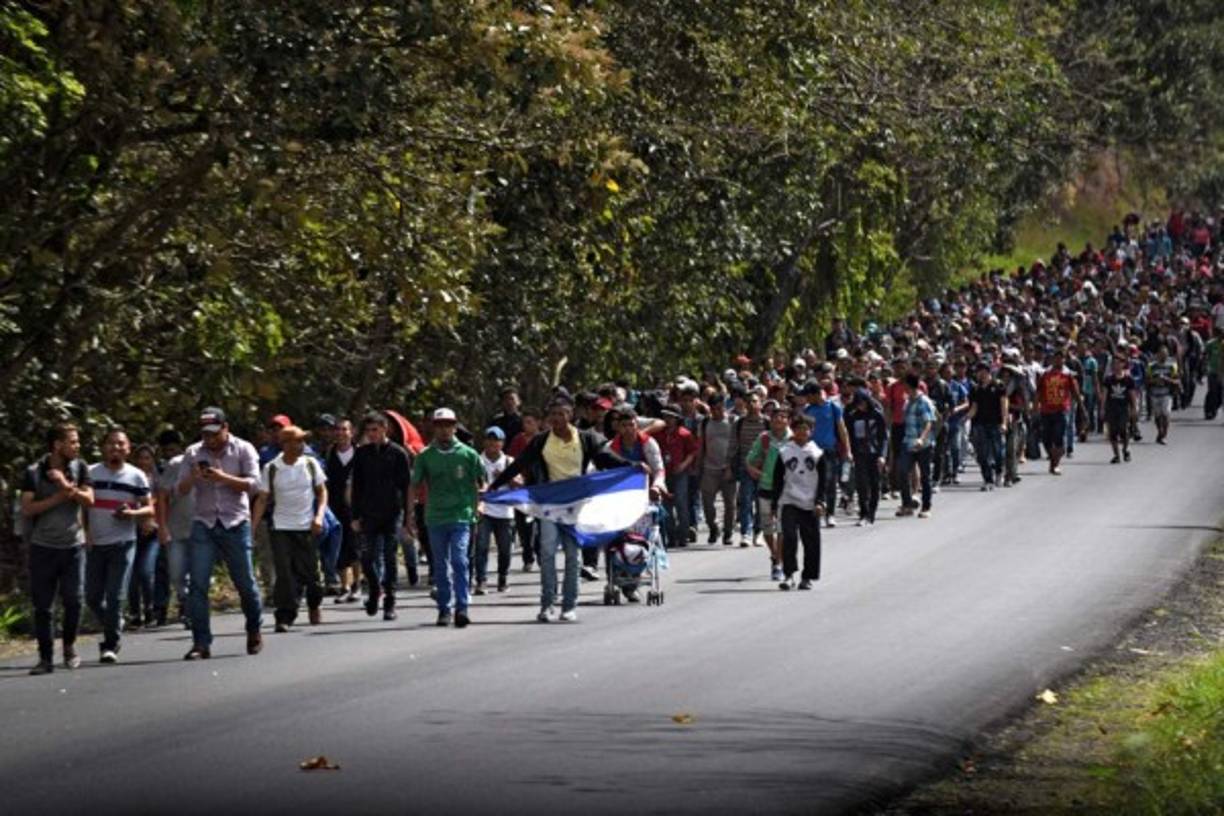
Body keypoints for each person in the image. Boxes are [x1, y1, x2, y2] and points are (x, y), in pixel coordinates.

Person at [488, 395, 630, 623]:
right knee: (547, 553)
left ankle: (569, 606)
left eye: (561, 414)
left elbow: (606, 458)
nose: (557, 418)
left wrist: (632, 467)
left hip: (576, 505)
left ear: (570, 415)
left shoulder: (585, 439)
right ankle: (547, 604)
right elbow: (520, 463)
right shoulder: (541, 441)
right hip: (550, 505)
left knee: (573, 555)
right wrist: (495, 486)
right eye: (553, 414)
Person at [177, 407, 264, 661]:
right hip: (204, 522)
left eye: (215, 433)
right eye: (206, 434)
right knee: (198, 585)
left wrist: (223, 477)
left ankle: (254, 628)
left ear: (226, 428)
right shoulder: (193, 452)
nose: (210, 439)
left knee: (245, 583)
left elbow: (255, 485)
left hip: (235, 523)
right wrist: (193, 477)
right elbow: (179, 490)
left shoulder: (244, 449)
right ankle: (201, 642)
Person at [21, 424, 94, 675]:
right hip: (43, 546)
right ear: (57, 445)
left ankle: (69, 646)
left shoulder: (80, 467)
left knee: (74, 600)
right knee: (43, 606)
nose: (77, 446)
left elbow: (90, 500)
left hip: (73, 546)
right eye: (72, 442)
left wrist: (65, 485)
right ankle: (45, 658)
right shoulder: (34, 471)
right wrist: (58, 498)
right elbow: (27, 508)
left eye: (77, 441)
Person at [409, 408, 484, 628]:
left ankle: (462, 607)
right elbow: (414, 485)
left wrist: (480, 504)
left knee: (460, 560)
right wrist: (409, 515)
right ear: (434, 427)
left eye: (448, 425)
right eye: (440, 425)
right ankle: (444, 608)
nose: (444, 429)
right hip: (435, 517)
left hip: (461, 515)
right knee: (440, 566)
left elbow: (481, 483)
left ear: (455, 427)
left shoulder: (468, 454)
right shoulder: (425, 456)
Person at [85, 428, 154, 664]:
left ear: (128, 448)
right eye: (111, 443)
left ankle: (110, 644)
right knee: (92, 597)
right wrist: (84, 532)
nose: (116, 447)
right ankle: (114, 622)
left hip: (123, 543)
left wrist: (132, 513)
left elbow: (149, 508)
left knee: (115, 596)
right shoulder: (90, 472)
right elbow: (81, 506)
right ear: (103, 447)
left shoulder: (136, 476)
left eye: (120, 444)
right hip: (94, 543)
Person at [252, 425, 328, 632]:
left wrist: (319, 516)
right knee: (284, 574)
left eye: (302, 440)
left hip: (307, 526)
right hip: (281, 527)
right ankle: (285, 615)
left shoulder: (310, 464)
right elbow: (262, 499)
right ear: (285, 444)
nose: (301, 445)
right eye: (297, 441)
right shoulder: (272, 468)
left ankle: (314, 604)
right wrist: (253, 527)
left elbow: (322, 492)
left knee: (311, 575)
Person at [350, 411, 413, 621]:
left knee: (389, 556)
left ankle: (390, 601)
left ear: (385, 429)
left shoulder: (398, 453)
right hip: (368, 513)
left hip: (392, 513)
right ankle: (375, 588)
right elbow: (357, 486)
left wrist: (408, 518)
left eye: (375, 430)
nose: (371, 434)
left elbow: (407, 487)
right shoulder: (361, 454)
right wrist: (355, 515)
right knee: (367, 558)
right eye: (368, 431)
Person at [770, 414, 825, 590]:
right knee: (789, 537)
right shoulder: (785, 452)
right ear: (793, 430)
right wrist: (774, 503)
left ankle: (807, 577)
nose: (802, 432)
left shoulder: (817, 453)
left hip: (810, 502)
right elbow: (777, 479)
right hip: (789, 500)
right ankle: (788, 575)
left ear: (811, 431)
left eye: (806, 428)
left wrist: (820, 501)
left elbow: (824, 480)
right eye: (799, 428)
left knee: (811, 541)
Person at [155, 429, 197, 628]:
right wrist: (162, 526)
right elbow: (162, 497)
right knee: (177, 574)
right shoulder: (175, 464)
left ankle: (193, 611)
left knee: (199, 574)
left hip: (202, 528)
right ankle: (186, 600)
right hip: (177, 528)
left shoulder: (213, 463)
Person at [745, 405, 791, 580]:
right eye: (775, 417)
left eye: (783, 416)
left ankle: (778, 563)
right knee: (767, 526)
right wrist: (753, 470)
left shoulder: (794, 438)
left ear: (788, 420)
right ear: (770, 420)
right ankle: (774, 554)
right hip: (765, 487)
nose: (779, 419)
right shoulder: (764, 438)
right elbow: (750, 460)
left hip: (787, 489)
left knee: (782, 527)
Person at [802, 379, 849, 528]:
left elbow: (842, 429)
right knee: (813, 482)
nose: (806, 399)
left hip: (829, 450)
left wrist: (847, 450)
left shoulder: (833, 407)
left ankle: (830, 514)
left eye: (808, 395)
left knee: (830, 481)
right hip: (812, 451)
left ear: (816, 394)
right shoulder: (808, 410)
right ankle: (816, 511)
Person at [324, 418, 361, 603]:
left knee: (355, 546)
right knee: (338, 546)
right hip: (334, 506)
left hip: (355, 507)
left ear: (351, 432)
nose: (340, 433)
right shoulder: (329, 453)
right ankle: (344, 586)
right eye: (337, 430)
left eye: (344, 429)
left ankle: (357, 585)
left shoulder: (360, 453)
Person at [475, 426, 515, 594]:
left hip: (505, 511)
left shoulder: (509, 461)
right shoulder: (477, 460)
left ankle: (502, 577)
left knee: (505, 549)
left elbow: (520, 484)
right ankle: (481, 580)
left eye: (496, 440)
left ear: (502, 443)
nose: (492, 443)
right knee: (481, 546)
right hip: (484, 509)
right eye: (489, 439)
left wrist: (505, 476)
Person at [126, 443, 161, 629]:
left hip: (152, 531)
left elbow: (158, 501)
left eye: (147, 458)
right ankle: (134, 613)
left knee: (146, 572)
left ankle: (150, 609)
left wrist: (150, 519)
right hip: (131, 529)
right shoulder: (129, 476)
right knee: (131, 575)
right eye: (140, 458)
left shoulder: (157, 479)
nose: (143, 462)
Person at [654, 406, 698, 549]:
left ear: (677, 419)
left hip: (680, 473)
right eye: (665, 416)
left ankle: (683, 535)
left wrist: (683, 465)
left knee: (681, 503)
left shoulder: (685, 434)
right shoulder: (658, 434)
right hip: (664, 473)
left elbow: (692, 452)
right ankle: (671, 536)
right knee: (666, 505)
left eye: (671, 417)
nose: (668, 420)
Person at [728, 392, 766, 547]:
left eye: (755, 401)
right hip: (745, 468)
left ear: (761, 403)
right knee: (745, 501)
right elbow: (733, 446)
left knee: (762, 502)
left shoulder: (767, 423)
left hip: (764, 469)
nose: (752, 404)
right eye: (749, 401)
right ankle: (746, 533)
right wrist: (728, 465)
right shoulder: (739, 424)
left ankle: (759, 532)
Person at [697, 397, 736, 546]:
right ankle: (713, 527)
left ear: (724, 407)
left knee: (730, 504)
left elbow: (736, 446)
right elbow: (701, 445)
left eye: (719, 408)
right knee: (707, 503)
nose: (716, 412)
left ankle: (728, 532)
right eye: (713, 409)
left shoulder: (732, 421)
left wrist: (731, 467)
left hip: (728, 468)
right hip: (709, 468)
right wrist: (698, 465)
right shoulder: (705, 423)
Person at [845, 388, 887, 525]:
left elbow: (883, 437)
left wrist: (882, 455)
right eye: (858, 403)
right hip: (859, 454)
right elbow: (849, 437)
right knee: (861, 484)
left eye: (863, 402)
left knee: (875, 484)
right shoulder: (852, 416)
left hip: (875, 454)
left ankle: (871, 513)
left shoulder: (877, 415)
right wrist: (849, 452)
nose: (861, 405)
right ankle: (863, 513)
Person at [896, 375, 936, 518]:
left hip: (923, 444)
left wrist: (921, 439)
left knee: (925, 476)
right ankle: (907, 505)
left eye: (905, 385)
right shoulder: (908, 401)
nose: (903, 388)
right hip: (908, 442)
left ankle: (926, 507)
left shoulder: (923, 401)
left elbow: (928, 422)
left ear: (910, 385)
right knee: (902, 472)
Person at [1035, 348, 1080, 475]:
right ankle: (1053, 460)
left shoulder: (1068, 374)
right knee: (1046, 439)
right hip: (1046, 411)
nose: (1059, 360)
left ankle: (1055, 464)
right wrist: (1034, 409)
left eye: (1061, 358)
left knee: (1058, 438)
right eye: (1057, 357)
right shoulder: (1045, 374)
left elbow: (1075, 392)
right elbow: (1038, 392)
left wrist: (1082, 409)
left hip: (1061, 411)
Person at [965, 363, 1008, 491]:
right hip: (980, 424)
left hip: (995, 423)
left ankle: (999, 471)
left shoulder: (998, 386)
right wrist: (966, 417)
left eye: (983, 371)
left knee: (998, 451)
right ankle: (988, 480)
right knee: (982, 454)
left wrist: (1004, 422)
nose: (981, 374)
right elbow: (974, 407)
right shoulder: (975, 388)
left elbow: (1004, 405)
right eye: (978, 371)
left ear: (988, 372)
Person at [1103, 355, 1138, 463]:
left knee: (1124, 430)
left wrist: (1134, 408)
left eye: (1118, 363)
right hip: (1112, 408)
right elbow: (1104, 395)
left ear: (1123, 364)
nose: (1116, 365)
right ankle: (1116, 455)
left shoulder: (1128, 379)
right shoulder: (1108, 379)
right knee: (1112, 432)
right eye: (1114, 363)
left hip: (1124, 408)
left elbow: (1132, 395)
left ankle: (1125, 449)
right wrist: (1102, 408)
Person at [1146, 345, 1178, 445]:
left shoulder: (1172, 366)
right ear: (1157, 355)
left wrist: (1167, 379)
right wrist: (1155, 380)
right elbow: (1147, 381)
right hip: (1154, 394)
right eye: (1161, 354)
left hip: (1166, 394)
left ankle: (1164, 435)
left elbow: (1177, 381)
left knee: (1166, 413)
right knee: (1158, 415)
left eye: (1165, 354)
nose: (1163, 356)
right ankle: (1159, 431)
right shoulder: (1151, 366)